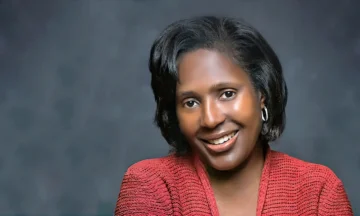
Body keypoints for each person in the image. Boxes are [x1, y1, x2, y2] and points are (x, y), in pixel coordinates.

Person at [114, 16, 353, 215]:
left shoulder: (318, 191)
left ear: (262, 94)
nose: (210, 119)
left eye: (227, 94)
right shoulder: (150, 185)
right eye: (190, 102)